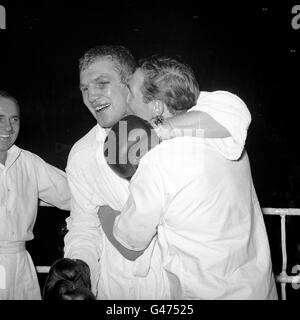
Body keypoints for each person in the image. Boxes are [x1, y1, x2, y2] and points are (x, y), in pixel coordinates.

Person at [61, 45, 251, 299]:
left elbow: (232, 110)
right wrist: (79, 272)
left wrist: (156, 131)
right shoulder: (82, 154)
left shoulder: (185, 119)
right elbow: (83, 226)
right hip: (119, 289)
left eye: (101, 83)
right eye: (84, 89)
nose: (92, 96)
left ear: (129, 86)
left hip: (175, 288)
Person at [100, 55, 278, 299]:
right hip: (258, 288)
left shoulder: (158, 161)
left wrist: (104, 213)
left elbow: (131, 241)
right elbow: (228, 107)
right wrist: (161, 129)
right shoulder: (224, 137)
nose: (126, 99)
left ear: (156, 107)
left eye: (130, 91)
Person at [0, 91, 70, 300]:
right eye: (0, 118)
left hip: (20, 266)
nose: (8, 128)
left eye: (14, 119)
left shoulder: (28, 162)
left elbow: (73, 193)